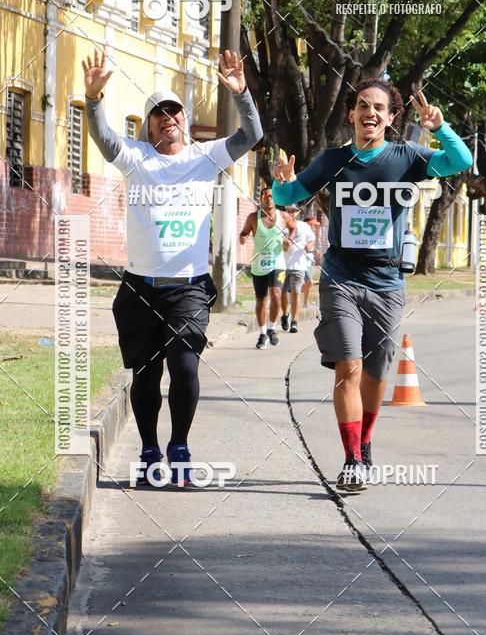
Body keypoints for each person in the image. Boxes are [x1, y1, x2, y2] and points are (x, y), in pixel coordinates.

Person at [273, 82, 472, 492]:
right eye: (363, 105)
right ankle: (350, 460)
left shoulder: (408, 158)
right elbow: (289, 195)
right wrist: (283, 182)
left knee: (376, 375)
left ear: (391, 117)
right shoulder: (333, 160)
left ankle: (364, 444)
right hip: (341, 277)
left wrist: (440, 127)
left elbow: (460, 160)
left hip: (387, 283)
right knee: (348, 366)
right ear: (351, 114)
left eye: (380, 108)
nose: (371, 112)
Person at [83, 48, 262, 486]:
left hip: (188, 288)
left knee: (185, 367)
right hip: (140, 289)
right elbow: (105, 138)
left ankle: (179, 446)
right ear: (150, 123)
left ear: (183, 118)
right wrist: (93, 99)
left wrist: (241, 95)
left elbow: (252, 135)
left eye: (174, 112)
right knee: (145, 376)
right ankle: (149, 450)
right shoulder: (136, 156)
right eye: (159, 113)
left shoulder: (206, 156)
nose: (168, 119)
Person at [239, 186, 296, 348]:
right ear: (261, 199)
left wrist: (289, 240)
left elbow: (293, 228)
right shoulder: (253, 218)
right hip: (258, 264)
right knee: (261, 300)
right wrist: (242, 238)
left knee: (277, 294)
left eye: (272, 196)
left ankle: (272, 328)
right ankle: (263, 333)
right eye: (266, 196)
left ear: (275, 199)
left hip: (277, 262)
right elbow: (243, 233)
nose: (269, 198)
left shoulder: (283, 216)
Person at [281, 204, 315, 333]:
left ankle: (294, 321)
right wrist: (285, 244)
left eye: (293, 211)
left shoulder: (304, 226)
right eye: (288, 211)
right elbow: (281, 246)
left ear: (298, 212)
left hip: (299, 265)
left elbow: (312, 240)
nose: (290, 213)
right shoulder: (280, 226)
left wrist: (309, 246)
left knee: (296, 292)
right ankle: (285, 315)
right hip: (282, 265)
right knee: (282, 293)